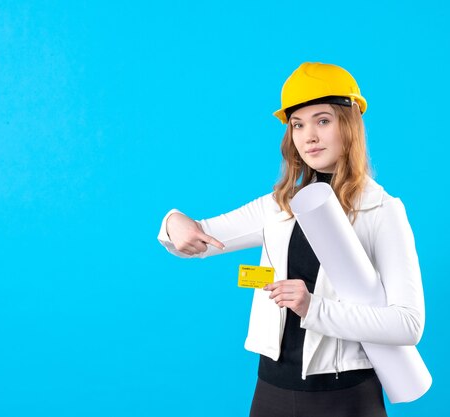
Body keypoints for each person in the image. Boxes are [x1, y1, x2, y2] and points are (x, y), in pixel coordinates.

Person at [157, 62, 425, 417]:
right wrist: (173, 222)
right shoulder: (281, 205)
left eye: (323, 120)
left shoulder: (381, 210)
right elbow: (198, 239)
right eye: (298, 124)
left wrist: (313, 308)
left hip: (345, 395)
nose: (309, 136)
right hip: (272, 391)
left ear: (350, 124)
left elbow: (408, 324)